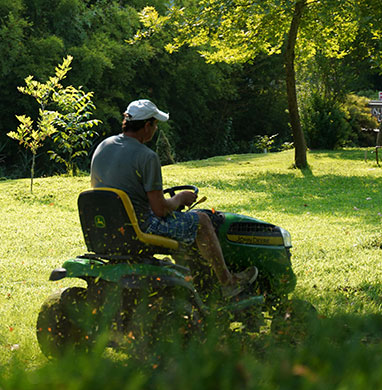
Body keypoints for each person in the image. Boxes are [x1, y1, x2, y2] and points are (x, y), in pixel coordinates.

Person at [89, 99, 257, 298]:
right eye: (155, 124)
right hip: (141, 228)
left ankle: (192, 283)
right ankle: (228, 282)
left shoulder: (103, 146)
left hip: (108, 228)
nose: (156, 129)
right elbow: (160, 210)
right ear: (146, 126)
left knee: (183, 224)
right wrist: (180, 198)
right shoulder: (147, 156)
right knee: (201, 220)